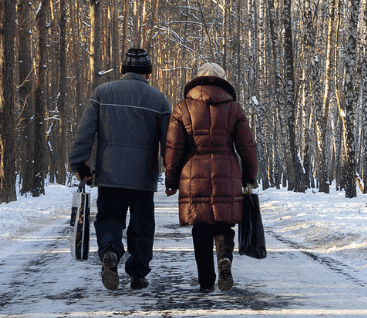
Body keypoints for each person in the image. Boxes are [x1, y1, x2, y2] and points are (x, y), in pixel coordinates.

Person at [69, 47, 172, 290]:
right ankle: (137, 274)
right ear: (148, 73)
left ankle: (110, 251)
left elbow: (85, 132)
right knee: (142, 226)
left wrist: (79, 164)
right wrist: (172, 173)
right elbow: (169, 142)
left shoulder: (103, 92)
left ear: (123, 70)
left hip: (110, 175)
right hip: (143, 178)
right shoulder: (159, 100)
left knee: (109, 220)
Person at [164, 63, 258, 292]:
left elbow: (174, 148)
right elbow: (247, 147)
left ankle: (206, 282)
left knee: (201, 228)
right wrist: (249, 176)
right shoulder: (233, 109)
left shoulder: (182, 108)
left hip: (194, 174)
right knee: (224, 223)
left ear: (197, 81)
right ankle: (224, 258)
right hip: (227, 170)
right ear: (223, 81)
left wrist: (171, 180)